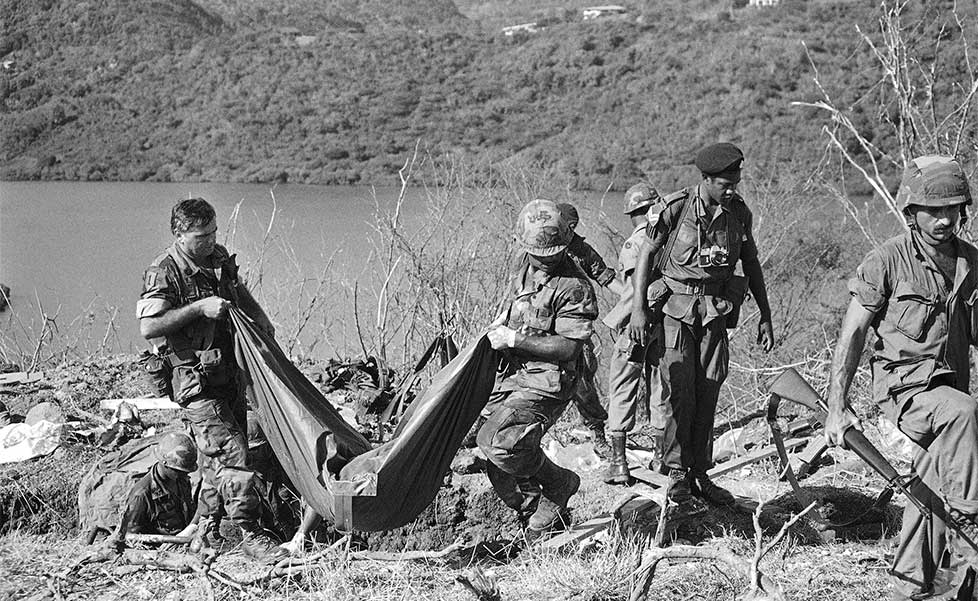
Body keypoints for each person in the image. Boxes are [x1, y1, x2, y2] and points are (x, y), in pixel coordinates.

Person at [825, 156, 978, 600]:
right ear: (912, 212)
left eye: (953, 209)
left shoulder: (972, 263)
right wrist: (837, 409)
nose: (945, 220)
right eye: (934, 210)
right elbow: (852, 334)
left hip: (948, 397)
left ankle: (908, 584)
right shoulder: (887, 260)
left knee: (930, 480)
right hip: (903, 394)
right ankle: (970, 532)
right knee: (965, 415)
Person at [629, 143, 774, 505]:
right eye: (724, 183)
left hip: (714, 313)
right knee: (680, 390)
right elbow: (646, 254)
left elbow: (750, 263)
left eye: (735, 181)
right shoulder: (675, 208)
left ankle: (699, 472)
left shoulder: (738, 212)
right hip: (675, 311)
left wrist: (766, 314)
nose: (731, 189)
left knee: (709, 389)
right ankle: (676, 472)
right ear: (705, 179)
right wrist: (638, 309)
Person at [136, 197, 279, 558]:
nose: (210, 241)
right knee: (233, 450)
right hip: (193, 382)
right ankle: (250, 534)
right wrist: (199, 307)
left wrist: (259, 316)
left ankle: (206, 530)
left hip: (226, 372)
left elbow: (237, 289)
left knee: (216, 457)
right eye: (201, 236)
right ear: (179, 235)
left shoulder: (217, 258)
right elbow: (149, 326)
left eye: (214, 232)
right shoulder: (164, 270)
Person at [478, 199, 598, 540]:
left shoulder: (575, 287)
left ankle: (560, 484)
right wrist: (502, 323)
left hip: (548, 379)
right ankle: (537, 512)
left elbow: (568, 347)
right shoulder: (522, 265)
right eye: (538, 254)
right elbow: (518, 304)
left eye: (554, 253)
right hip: (514, 373)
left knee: (498, 441)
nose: (547, 261)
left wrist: (513, 338)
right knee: (492, 450)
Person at [602, 183, 667, 484]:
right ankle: (661, 457)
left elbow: (632, 292)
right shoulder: (669, 239)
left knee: (622, 387)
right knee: (660, 387)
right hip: (664, 324)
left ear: (633, 213)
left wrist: (615, 320)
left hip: (636, 325)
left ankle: (618, 462)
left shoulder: (636, 243)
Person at [555, 202, 623, 457]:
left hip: (576, 326)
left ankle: (597, 434)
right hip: (546, 328)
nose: (569, 231)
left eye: (573, 227)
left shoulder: (581, 250)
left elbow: (605, 276)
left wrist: (633, 297)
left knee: (583, 381)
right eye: (566, 227)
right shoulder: (542, 251)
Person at [120, 431, 197, 537]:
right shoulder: (141, 495)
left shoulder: (180, 479)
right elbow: (129, 536)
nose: (185, 476)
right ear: (165, 464)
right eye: (180, 471)